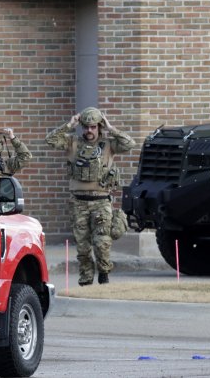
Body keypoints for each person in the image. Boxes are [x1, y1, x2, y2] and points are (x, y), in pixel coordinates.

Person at [45, 107, 135, 286]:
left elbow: (129, 143)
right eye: (86, 127)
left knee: (102, 243)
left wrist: (111, 128)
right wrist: (69, 125)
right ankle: (86, 280)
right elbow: (50, 140)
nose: (89, 131)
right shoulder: (72, 143)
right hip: (79, 202)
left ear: (99, 127)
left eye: (93, 127)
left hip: (101, 201)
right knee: (83, 247)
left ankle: (104, 274)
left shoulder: (109, 144)